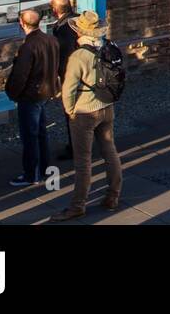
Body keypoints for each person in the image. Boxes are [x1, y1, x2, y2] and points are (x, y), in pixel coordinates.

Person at [52, 11, 123, 220]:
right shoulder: (109, 47)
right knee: (110, 150)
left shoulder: (78, 56)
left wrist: (70, 111)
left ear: (79, 31)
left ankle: (77, 205)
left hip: (84, 111)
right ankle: (113, 196)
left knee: (83, 161)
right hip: (107, 106)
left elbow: (68, 89)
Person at [5, 8, 59, 188]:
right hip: (45, 92)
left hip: (31, 95)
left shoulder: (28, 46)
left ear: (22, 23)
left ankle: (31, 174)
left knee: (30, 135)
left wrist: (12, 93)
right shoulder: (50, 39)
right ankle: (44, 169)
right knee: (41, 133)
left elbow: (21, 75)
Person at [48, 0, 80, 161]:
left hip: (71, 77)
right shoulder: (77, 20)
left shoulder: (63, 28)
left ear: (55, 10)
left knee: (72, 113)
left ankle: (76, 148)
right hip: (84, 75)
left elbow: (66, 54)